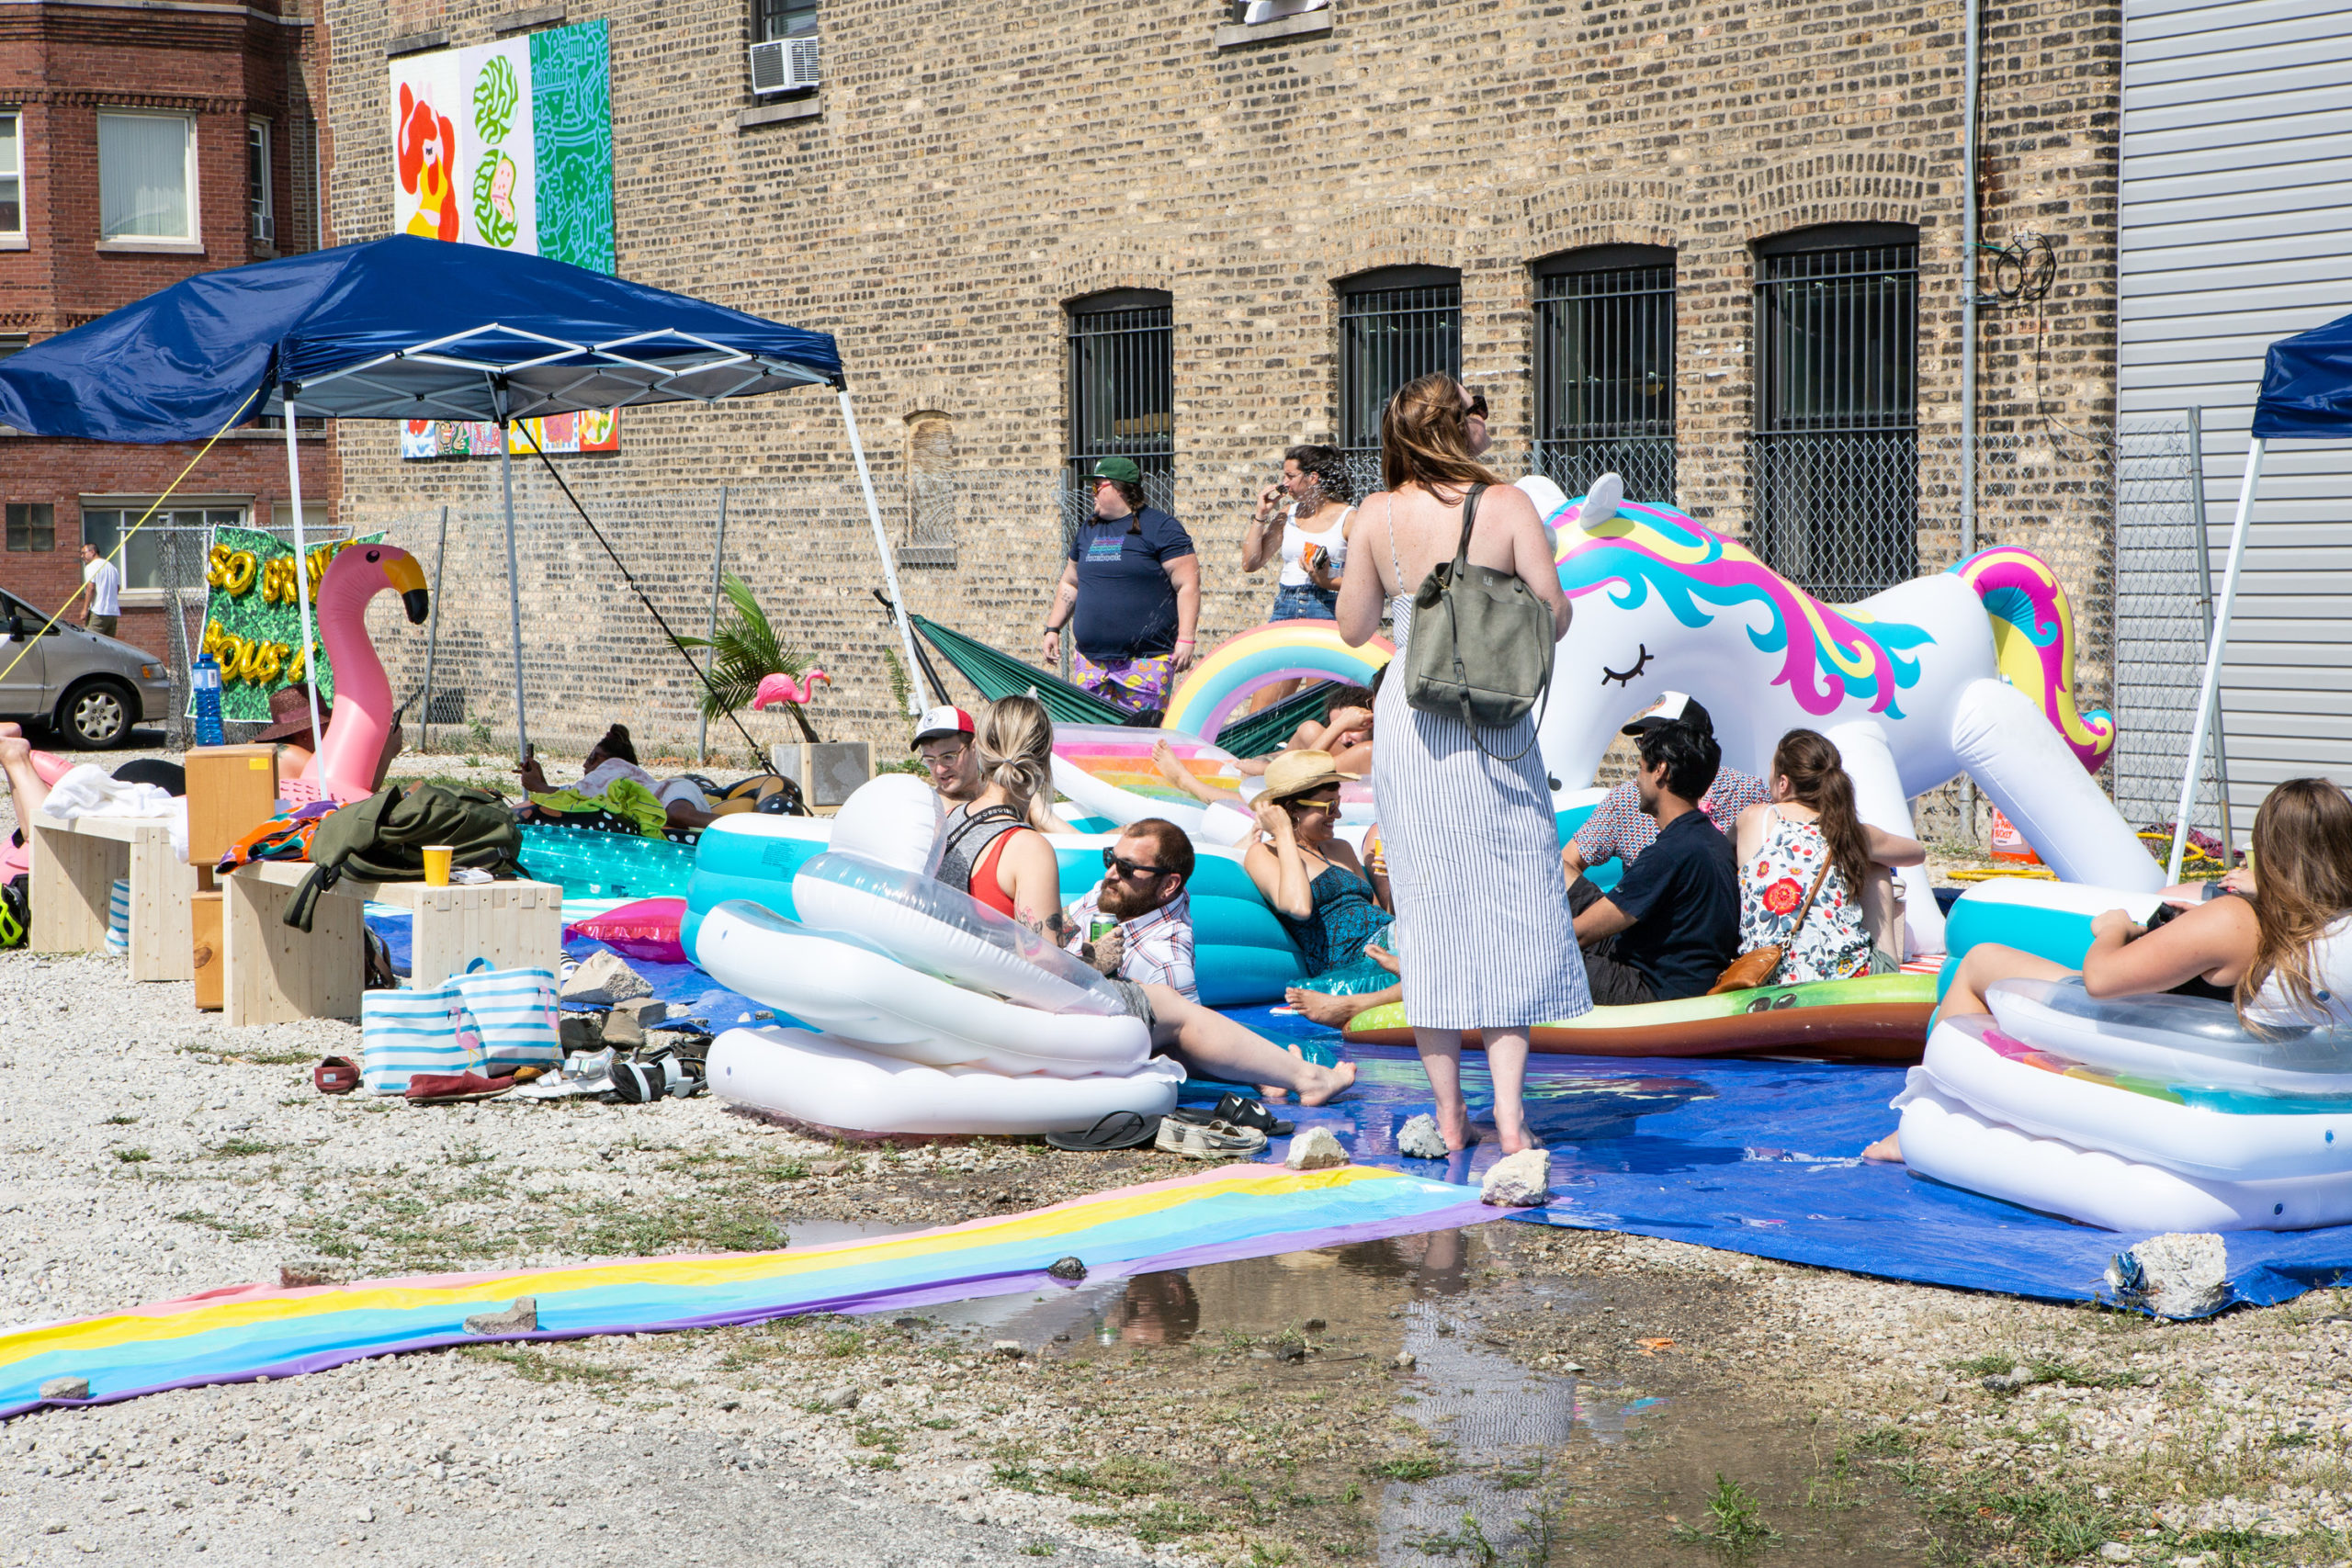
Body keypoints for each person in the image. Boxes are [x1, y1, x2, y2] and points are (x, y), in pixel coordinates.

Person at [1336, 372, 1589, 1156]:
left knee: (1430, 910)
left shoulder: (1375, 513)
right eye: (1474, 412)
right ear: (1455, 426)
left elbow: (1353, 627)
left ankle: (1449, 1116)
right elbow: (1556, 614)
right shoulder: (1507, 504)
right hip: (1492, 715)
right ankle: (1510, 1118)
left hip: (1412, 719)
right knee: (1511, 903)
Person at [1865, 777, 2352, 1163]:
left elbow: (2101, 981)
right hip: (2292, 1079)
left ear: (2269, 851)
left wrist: (2112, 929)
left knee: (1980, 962)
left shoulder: (2234, 921)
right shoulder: (2332, 927)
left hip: (2159, 1040)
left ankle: (1924, 1117)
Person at [938, 694, 1356, 1105]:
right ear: (1045, 759)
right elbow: (1043, 973)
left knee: (1151, 1002)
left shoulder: (953, 823)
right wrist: (1094, 962)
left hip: (967, 999)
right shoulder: (1026, 847)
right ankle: (1308, 1078)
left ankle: (1268, 1076)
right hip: (1018, 1016)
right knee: (1171, 1007)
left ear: (978, 751)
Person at [1568, 717, 1739, 1006]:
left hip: (1653, 988)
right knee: (1559, 874)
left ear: (1660, 771)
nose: (1636, 780)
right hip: (1663, 965)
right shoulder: (1708, 838)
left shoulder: (1670, 853)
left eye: (1640, 769)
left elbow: (1581, 934)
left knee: (1541, 958)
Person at [1732, 728, 1925, 982]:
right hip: (1849, 978)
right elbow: (1917, 852)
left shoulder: (1755, 818)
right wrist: (1864, 846)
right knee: (1876, 866)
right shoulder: (1848, 832)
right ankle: (1884, 979)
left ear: (1783, 783)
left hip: (1767, 976)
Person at [1041, 458, 1200, 716]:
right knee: (1092, 735)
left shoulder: (1161, 528)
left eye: (1097, 486)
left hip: (1146, 662)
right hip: (1091, 662)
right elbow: (1070, 582)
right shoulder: (1088, 529)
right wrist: (1052, 628)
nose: (1091, 493)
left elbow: (1188, 585)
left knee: (1141, 735)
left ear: (1120, 489)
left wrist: (1186, 638)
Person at [1564, 697, 1770, 882]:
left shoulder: (1744, 791)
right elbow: (1568, 860)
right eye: (1644, 742)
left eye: (1655, 742)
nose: (1645, 753)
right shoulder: (1626, 799)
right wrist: (1602, 906)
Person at [1244, 750, 1393, 990]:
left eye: (1338, 803)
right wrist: (1284, 832)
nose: (1338, 814)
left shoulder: (1341, 848)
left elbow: (1380, 915)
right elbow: (1298, 908)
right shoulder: (1264, 853)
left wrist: (1393, 882)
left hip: (1388, 944)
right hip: (1351, 966)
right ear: (1292, 808)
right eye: (1329, 806)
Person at [1063, 818, 1198, 1001]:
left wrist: (1091, 970)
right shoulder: (1111, 894)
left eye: (1126, 868)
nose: (1109, 874)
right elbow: (1047, 934)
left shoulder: (1167, 964)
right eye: (1111, 859)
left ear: (1168, 885)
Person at [516, 724, 717, 833]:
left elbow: (576, 794)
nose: (585, 766)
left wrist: (536, 785)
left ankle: (735, 825)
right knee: (676, 815)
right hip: (665, 799)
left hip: (672, 792)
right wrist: (541, 783)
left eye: (591, 758)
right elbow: (572, 796)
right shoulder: (612, 784)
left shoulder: (613, 765)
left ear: (604, 760)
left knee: (678, 814)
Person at [1242, 443, 1354, 623]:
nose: (1284, 483)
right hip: (1285, 606)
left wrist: (1324, 580)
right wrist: (1261, 515)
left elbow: (1362, 582)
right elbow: (1250, 564)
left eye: (1290, 476)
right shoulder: (1288, 514)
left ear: (1313, 478)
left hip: (1328, 606)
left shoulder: (1349, 518)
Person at [75, 543, 120, 640]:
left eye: (83, 553)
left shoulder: (91, 566)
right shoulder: (112, 567)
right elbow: (117, 588)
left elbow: (91, 588)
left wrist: (85, 609)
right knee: (108, 644)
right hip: (112, 613)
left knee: (91, 642)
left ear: (92, 552)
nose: (82, 556)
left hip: (99, 611)